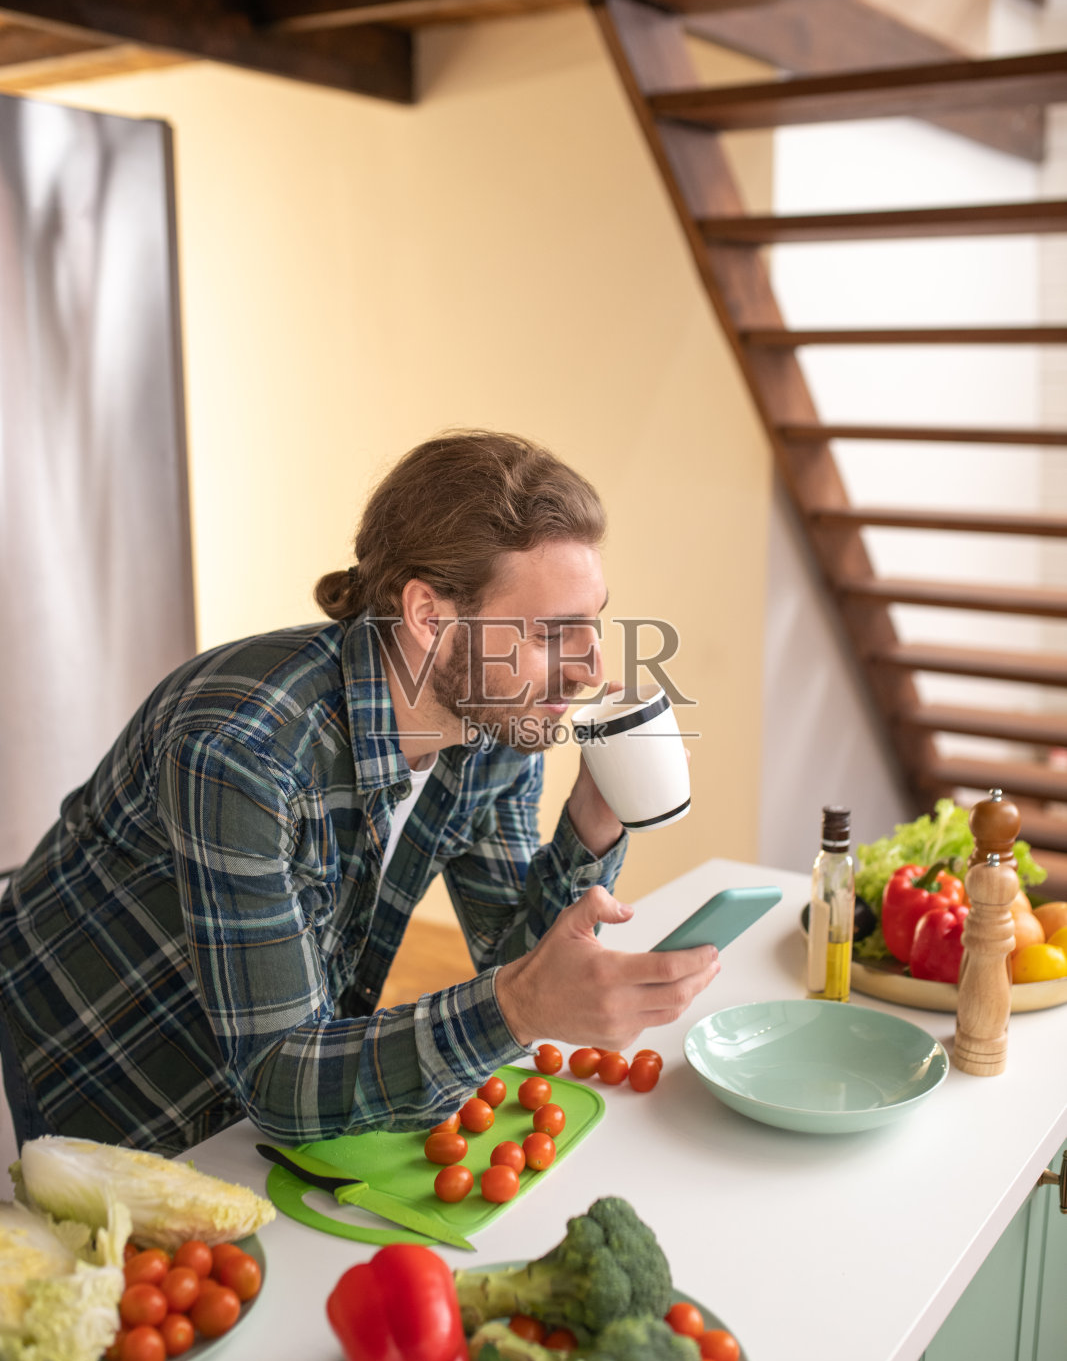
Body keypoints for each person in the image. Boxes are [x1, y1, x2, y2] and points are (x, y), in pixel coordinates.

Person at [0, 432, 718, 1155]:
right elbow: (282, 1079)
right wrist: (521, 1005)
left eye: (591, 622)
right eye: (551, 633)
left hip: (262, 1089)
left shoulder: (493, 726)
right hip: (86, 1065)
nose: (592, 668)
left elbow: (514, 960)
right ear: (429, 616)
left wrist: (593, 818)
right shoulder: (242, 748)